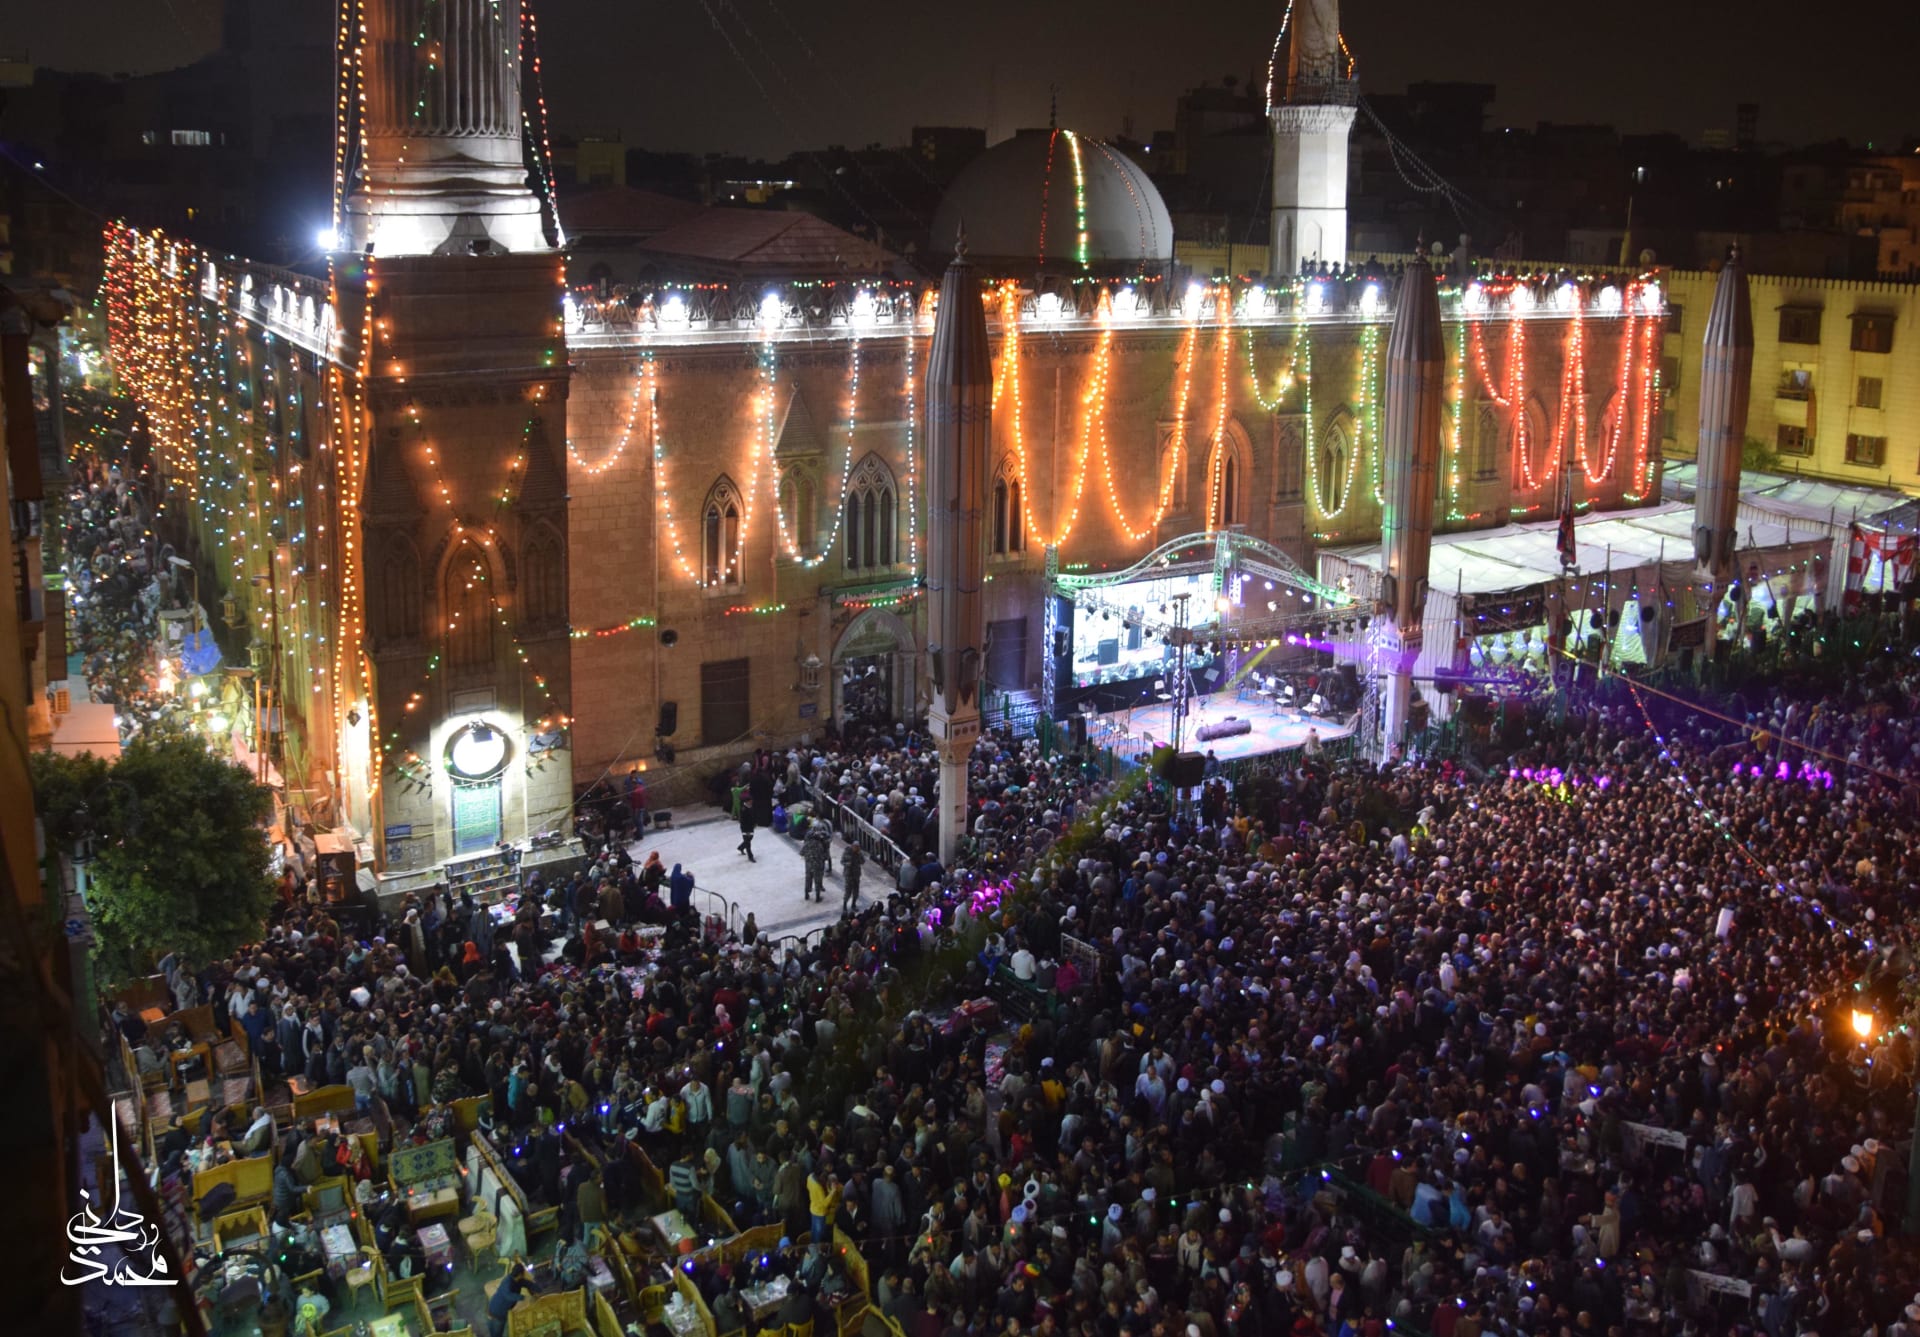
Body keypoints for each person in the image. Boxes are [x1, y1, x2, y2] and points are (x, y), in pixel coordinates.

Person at [488, 1260, 536, 1337]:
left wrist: (538, 1289)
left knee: (494, 1332)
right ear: (520, 1274)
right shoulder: (507, 1282)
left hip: (495, 1308)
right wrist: (524, 1297)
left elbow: (528, 1283)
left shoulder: (516, 1280)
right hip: (497, 1313)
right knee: (496, 1334)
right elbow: (508, 1295)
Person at [802, 821, 831, 902]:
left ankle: (807, 893)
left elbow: (802, 852)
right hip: (818, 862)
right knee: (817, 879)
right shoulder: (818, 840)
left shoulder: (809, 839)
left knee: (809, 878)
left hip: (809, 863)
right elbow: (826, 849)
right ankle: (817, 896)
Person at [840, 842, 864, 917]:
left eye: (857, 847)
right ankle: (844, 905)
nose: (856, 848)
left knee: (856, 891)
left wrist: (859, 855)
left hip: (856, 874)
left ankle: (853, 904)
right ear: (852, 846)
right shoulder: (847, 852)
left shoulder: (859, 853)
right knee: (848, 891)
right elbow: (842, 861)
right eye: (855, 847)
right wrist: (847, 864)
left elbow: (863, 862)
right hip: (849, 874)